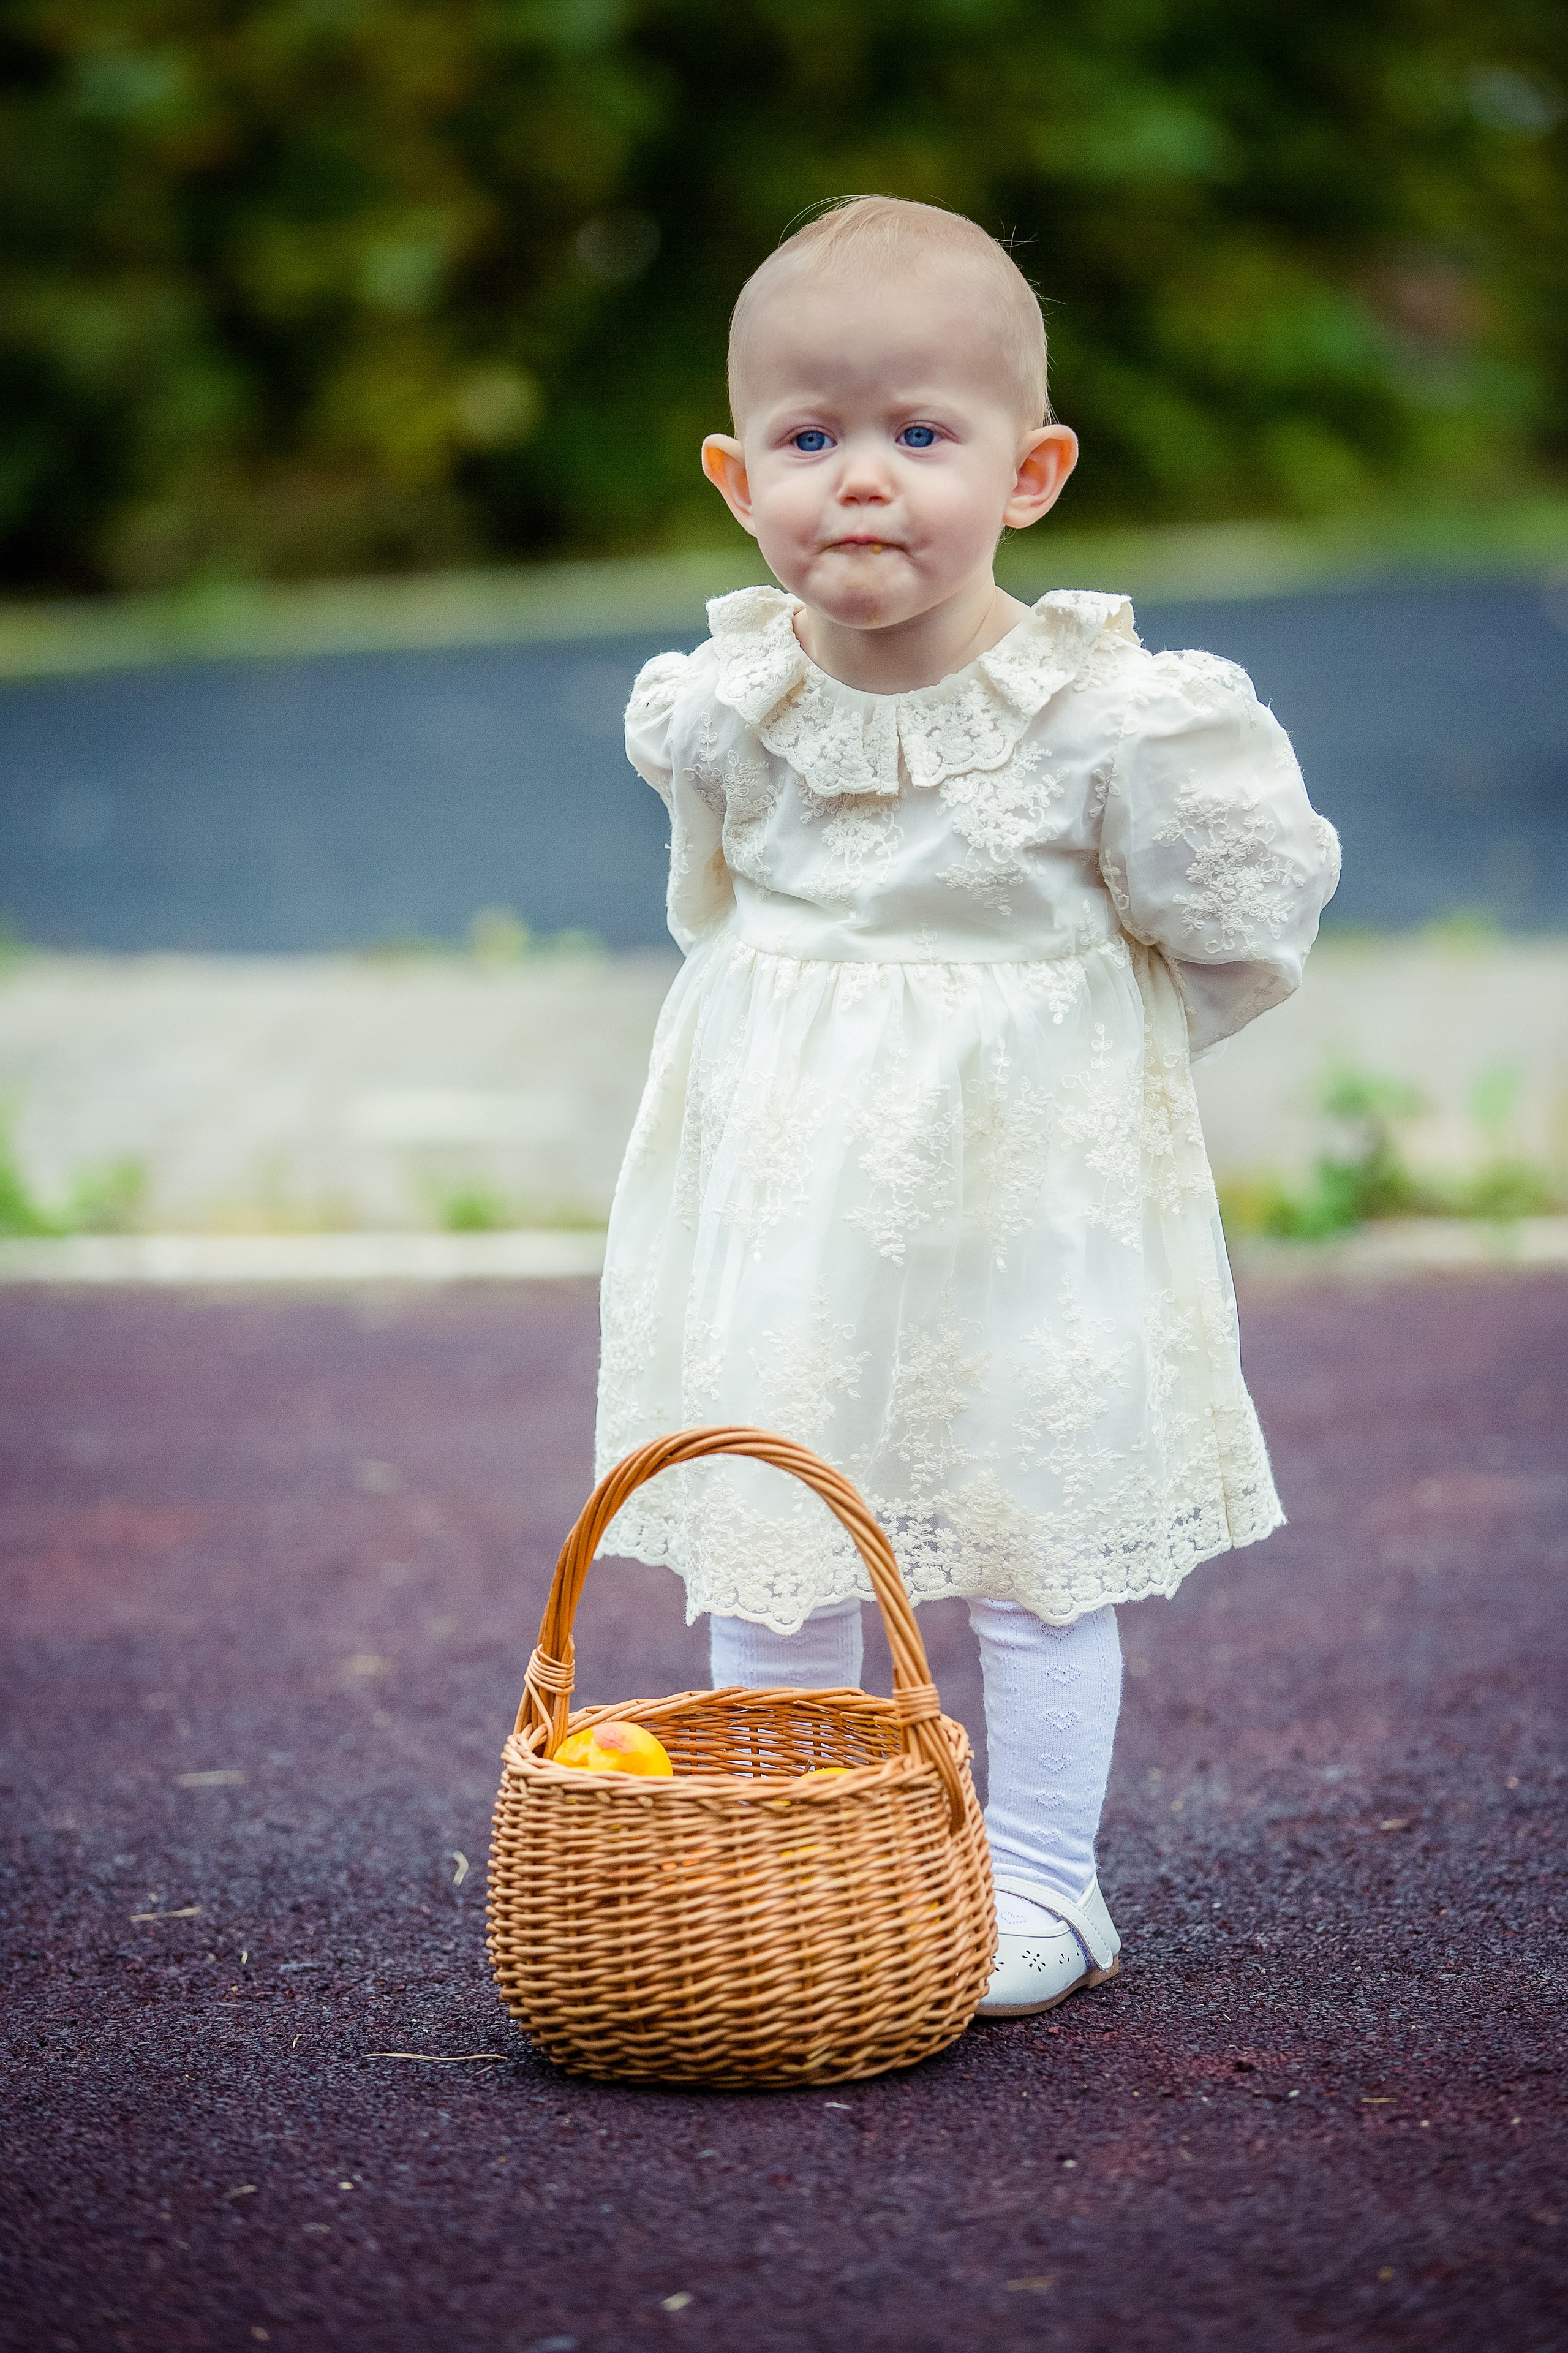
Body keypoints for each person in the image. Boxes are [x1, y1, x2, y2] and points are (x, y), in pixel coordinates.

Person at [594, 195, 1340, 2016]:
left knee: (1027, 1522)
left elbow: (1240, 929)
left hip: (1030, 1191)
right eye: (811, 436)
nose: (862, 478)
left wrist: (1079, 1069)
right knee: (785, 1502)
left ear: (1033, 471)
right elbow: (717, 912)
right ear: (733, 473)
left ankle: (1042, 1880)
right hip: (787, 1186)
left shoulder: (1112, 715)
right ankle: (801, 1844)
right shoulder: (725, 703)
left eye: (922, 434)